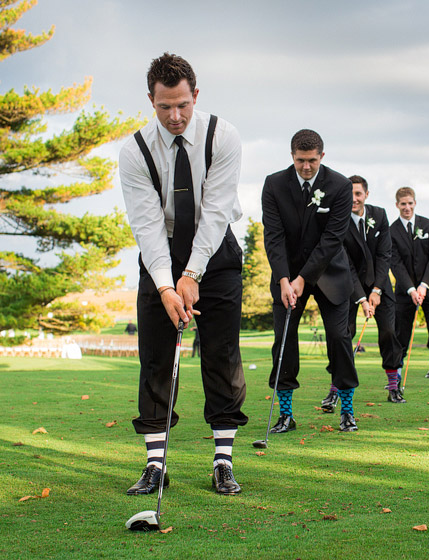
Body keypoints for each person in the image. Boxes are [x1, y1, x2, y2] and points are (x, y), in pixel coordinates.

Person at [119, 53, 247, 496]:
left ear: (196, 95)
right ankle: (156, 465)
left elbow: (215, 212)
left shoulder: (223, 136)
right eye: (164, 107)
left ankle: (223, 462)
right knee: (156, 358)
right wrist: (167, 285)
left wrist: (193, 273)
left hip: (217, 252)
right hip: (161, 254)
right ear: (150, 101)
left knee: (221, 355)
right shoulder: (134, 150)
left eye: (182, 105)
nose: (174, 116)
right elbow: (146, 225)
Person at [261, 129, 360, 433]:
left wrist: (305, 277)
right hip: (287, 276)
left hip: (330, 273)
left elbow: (332, 240)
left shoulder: (341, 186)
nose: (306, 167)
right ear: (292, 156)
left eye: (312, 161)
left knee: (339, 338)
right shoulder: (274, 184)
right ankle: (286, 414)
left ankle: (346, 409)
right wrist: (283, 278)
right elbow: (273, 236)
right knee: (284, 341)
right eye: (301, 160)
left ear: (322, 156)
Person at [321, 175, 405, 409]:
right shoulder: (338, 220)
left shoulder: (379, 216)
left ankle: (393, 385)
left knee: (389, 331)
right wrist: (361, 297)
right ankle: (335, 388)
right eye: (349, 194)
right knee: (341, 335)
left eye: (358, 194)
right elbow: (345, 263)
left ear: (366, 195)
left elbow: (384, 254)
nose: (353, 199)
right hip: (346, 284)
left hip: (380, 283)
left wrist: (377, 290)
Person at [390, 187, 429, 384]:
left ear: (415, 203)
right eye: (403, 204)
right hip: (405, 292)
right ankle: (396, 377)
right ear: (397, 205)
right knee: (400, 334)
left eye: (410, 203)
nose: (407, 207)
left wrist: (423, 285)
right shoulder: (392, 230)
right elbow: (395, 263)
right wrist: (411, 289)